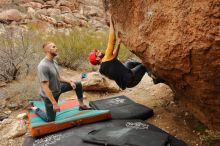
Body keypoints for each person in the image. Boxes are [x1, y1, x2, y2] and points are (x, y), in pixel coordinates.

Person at [28, 42, 90, 122]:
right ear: (47, 50)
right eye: (54, 47)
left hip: (58, 88)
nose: (56, 48)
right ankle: (33, 107)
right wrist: (54, 103)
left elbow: (58, 77)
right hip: (50, 96)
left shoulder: (54, 61)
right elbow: (45, 87)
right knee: (50, 119)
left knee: (77, 84)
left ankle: (81, 105)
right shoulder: (43, 66)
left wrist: (70, 82)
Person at [88, 16, 149, 90]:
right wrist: (111, 22)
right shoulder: (106, 58)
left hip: (126, 80)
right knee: (145, 65)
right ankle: (153, 75)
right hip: (131, 79)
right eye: (97, 52)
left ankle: (140, 70)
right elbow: (112, 40)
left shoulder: (102, 69)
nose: (99, 51)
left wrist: (118, 44)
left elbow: (114, 58)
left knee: (129, 63)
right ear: (97, 58)